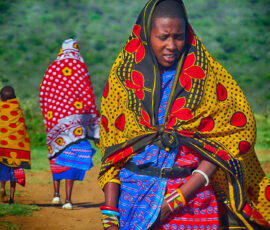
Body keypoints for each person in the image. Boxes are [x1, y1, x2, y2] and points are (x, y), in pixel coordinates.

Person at [98, 0, 270, 229]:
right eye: (163, 37)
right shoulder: (124, 79)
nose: (171, 45)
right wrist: (110, 212)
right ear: (146, 36)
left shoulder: (206, 77)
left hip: (193, 204)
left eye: (178, 37)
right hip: (132, 200)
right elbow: (113, 148)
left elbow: (232, 136)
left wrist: (177, 198)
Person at [39, 38, 100, 210]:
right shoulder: (80, 67)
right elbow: (87, 93)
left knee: (57, 157)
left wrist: (50, 116)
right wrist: (94, 124)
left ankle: (55, 195)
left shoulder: (52, 68)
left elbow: (43, 93)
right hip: (77, 123)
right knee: (71, 161)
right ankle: (68, 200)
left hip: (55, 122)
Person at [0, 86, 31, 204]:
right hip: (17, 148)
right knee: (14, 173)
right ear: (14, 96)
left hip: (2, 146)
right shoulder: (17, 109)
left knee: (3, 169)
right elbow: (22, 127)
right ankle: (12, 198)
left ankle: (2, 187)